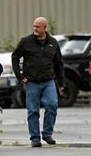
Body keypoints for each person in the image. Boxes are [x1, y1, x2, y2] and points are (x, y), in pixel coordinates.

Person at [12, 16, 65, 147]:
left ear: (45, 28)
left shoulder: (53, 42)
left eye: (37, 26)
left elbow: (59, 63)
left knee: (52, 105)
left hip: (49, 81)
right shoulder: (26, 41)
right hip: (31, 82)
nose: (35, 28)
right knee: (33, 110)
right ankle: (35, 138)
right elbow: (15, 57)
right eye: (34, 26)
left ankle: (47, 134)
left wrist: (61, 82)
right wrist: (20, 76)